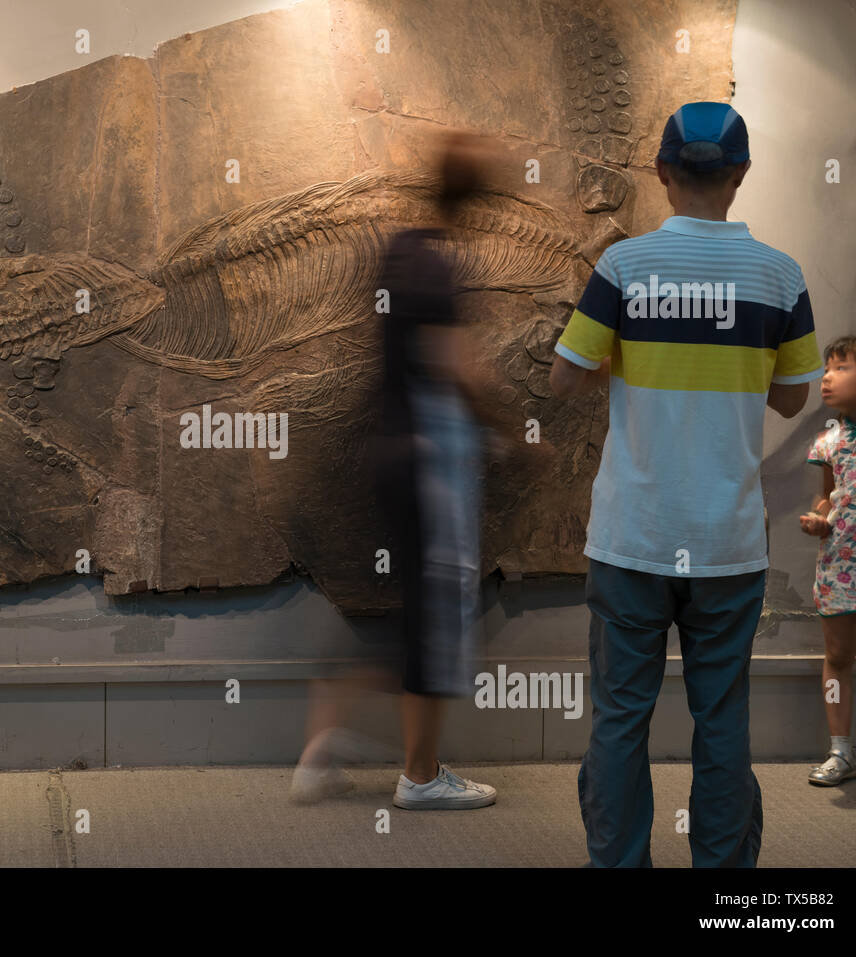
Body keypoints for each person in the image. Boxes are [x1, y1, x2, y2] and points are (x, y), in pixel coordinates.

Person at [551, 102, 823, 866]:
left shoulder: (624, 267)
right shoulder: (779, 275)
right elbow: (793, 395)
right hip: (727, 542)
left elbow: (563, 378)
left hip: (633, 535)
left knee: (617, 718)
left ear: (663, 173)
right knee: (724, 721)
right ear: (740, 175)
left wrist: (624, 356)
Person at [292, 131, 547, 810]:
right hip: (431, 463)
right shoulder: (437, 266)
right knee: (437, 618)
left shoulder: (400, 250)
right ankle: (421, 774)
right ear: (480, 199)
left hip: (394, 451)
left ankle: (329, 728)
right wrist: (517, 434)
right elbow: (458, 367)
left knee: (417, 616)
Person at [799, 335, 856, 786]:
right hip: (839, 563)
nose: (827, 378)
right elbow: (829, 496)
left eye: (840, 368)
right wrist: (819, 517)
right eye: (827, 369)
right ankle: (842, 752)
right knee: (837, 656)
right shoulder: (827, 438)